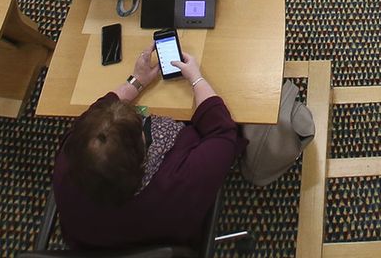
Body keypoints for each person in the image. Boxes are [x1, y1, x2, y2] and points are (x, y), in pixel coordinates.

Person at [51, 43, 244, 250]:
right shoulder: (182, 181)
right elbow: (222, 133)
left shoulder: (68, 162)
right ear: (142, 154)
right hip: (170, 238)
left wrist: (136, 81)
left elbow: (98, 115)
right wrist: (197, 78)